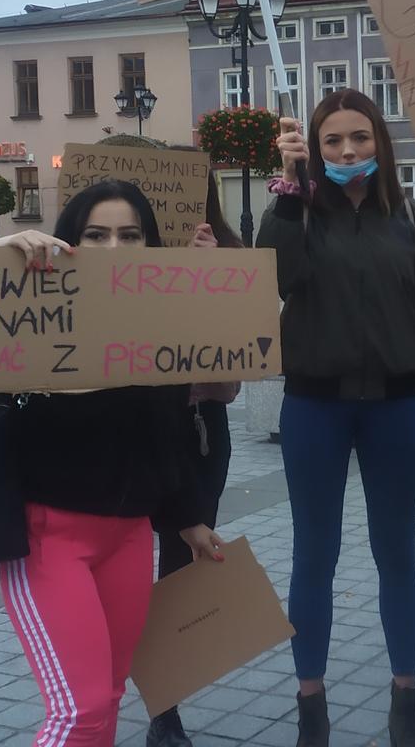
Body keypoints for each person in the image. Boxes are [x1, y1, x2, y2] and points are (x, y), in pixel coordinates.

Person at [0, 180, 224, 747]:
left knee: (109, 694)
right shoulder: (31, 304)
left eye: (129, 235)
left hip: (129, 538)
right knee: (80, 708)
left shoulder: (159, 322)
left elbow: (168, 432)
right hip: (48, 538)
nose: (114, 249)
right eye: (96, 235)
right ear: (69, 240)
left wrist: (189, 516)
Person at [256, 89, 415, 747]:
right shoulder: (297, 212)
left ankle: (407, 698)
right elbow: (272, 281)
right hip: (315, 406)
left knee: (396, 552)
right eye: (334, 141)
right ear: (315, 149)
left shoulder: (409, 218)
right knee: (314, 553)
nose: (348, 151)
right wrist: (289, 192)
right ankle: (310, 702)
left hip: (395, 409)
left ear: (381, 143)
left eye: (360, 138)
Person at [146, 171, 243, 747]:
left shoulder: (227, 252)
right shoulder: (126, 253)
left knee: (180, 564)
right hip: (139, 426)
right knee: (134, 562)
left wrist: (207, 271)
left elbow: (240, 342)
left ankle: (166, 708)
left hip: (203, 426)